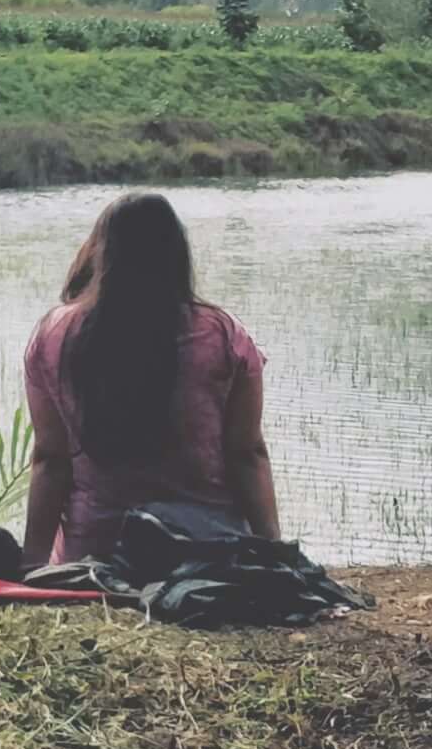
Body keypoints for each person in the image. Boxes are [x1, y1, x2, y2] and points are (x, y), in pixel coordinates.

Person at [22, 191, 278, 565]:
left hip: (97, 553)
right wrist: (275, 554)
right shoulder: (223, 336)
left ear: (101, 254)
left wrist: (32, 565)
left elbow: (50, 459)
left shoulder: (53, 336)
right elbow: (247, 453)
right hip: (206, 552)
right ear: (177, 256)